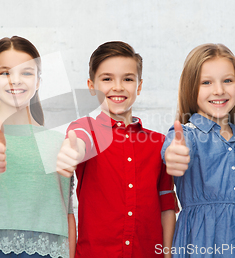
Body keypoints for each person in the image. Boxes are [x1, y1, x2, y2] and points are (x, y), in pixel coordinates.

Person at [56, 41, 179, 258]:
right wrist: (72, 152)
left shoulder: (159, 143)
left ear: (139, 86)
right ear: (91, 86)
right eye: (107, 79)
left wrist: (167, 255)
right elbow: (79, 141)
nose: (118, 86)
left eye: (128, 79)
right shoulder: (86, 130)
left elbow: (166, 205)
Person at [0, 36, 75, 258]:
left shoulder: (59, 142)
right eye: (4, 72)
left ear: (38, 80)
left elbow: (67, 213)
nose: (15, 80)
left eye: (26, 72)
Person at [162, 44, 235, 258]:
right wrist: (174, 154)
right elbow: (172, 149)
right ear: (191, 88)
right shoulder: (187, 136)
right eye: (206, 82)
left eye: (228, 80)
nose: (219, 90)